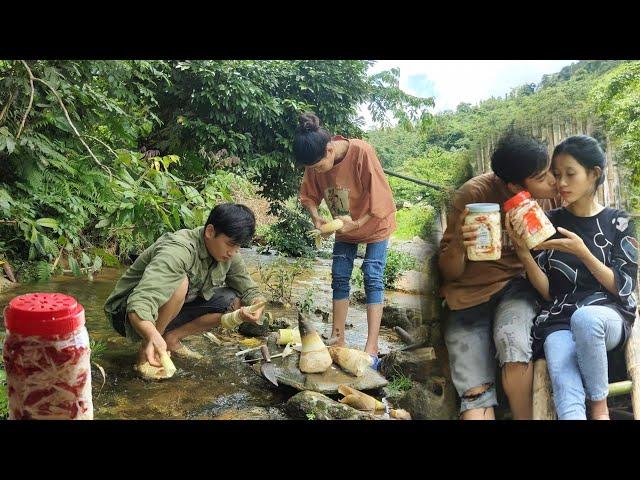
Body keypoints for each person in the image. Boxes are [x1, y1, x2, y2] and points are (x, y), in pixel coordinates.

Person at [506, 135, 637, 420]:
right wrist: (523, 252)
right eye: (556, 175)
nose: (561, 183)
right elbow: (548, 293)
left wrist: (583, 252)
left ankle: (599, 408)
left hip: (607, 315)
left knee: (586, 319)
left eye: (570, 174)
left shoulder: (619, 222)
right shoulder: (547, 222)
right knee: (562, 372)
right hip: (559, 319)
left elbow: (622, 286)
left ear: (594, 174)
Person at [439, 131, 560, 419]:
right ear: (514, 185)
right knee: (475, 391)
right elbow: (449, 273)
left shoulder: (550, 199)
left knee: (514, 344)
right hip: (468, 296)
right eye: (543, 177)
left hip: (516, 288)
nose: (553, 182)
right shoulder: (473, 195)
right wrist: (459, 243)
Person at [104, 203, 266, 375]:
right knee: (180, 283)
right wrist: (152, 336)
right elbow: (140, 302)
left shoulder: (229, 254)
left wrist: (256, 304)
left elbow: (249, 289)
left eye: (238, 247)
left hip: (168, 310)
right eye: (230, 244)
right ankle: (148, 350)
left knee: (234, 301)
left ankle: (172, 339)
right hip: (125, 314)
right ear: (210, 232)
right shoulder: (178, 250)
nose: (233, 252)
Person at [295, 112, 396, 368]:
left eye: (318, 167)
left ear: (330, 149)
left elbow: (380, 198)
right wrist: (317, 218)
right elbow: (309, 196)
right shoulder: (315, 162)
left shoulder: (362, 152)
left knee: (372, 275)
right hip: (344, 225)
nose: (316, 172)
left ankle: (371, 347)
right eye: (311, 169)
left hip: (374, 222)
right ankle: (337, 339)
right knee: (340, 275)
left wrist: (358, 223)